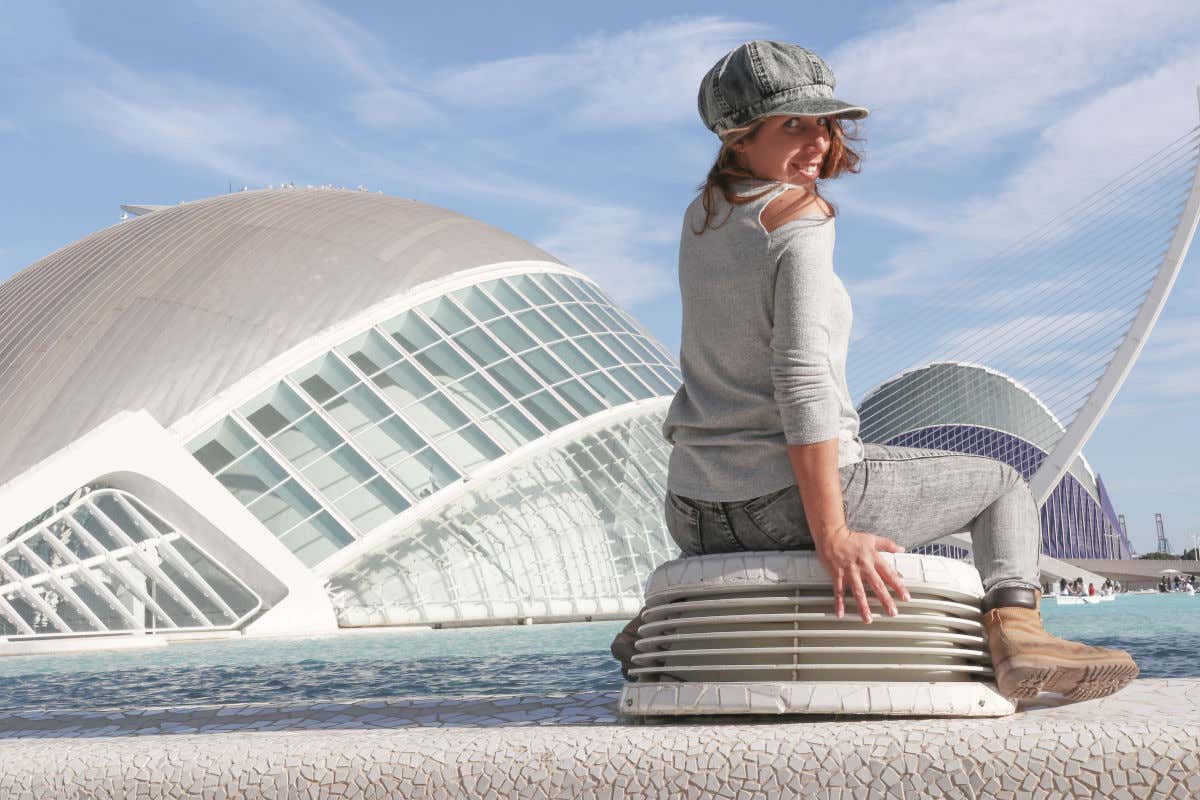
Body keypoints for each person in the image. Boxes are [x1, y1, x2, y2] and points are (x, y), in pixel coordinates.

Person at [610, 40, 1138, 703]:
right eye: (792, 125)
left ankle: (670, 623)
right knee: (1003, 484)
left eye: (823, 123)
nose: (817, 142)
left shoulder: (704, 216)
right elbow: (799, 381)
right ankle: (1021, 635)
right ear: (739, 137)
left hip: (694, 510)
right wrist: (831, 534)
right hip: (785, 500)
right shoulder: (800, 218)